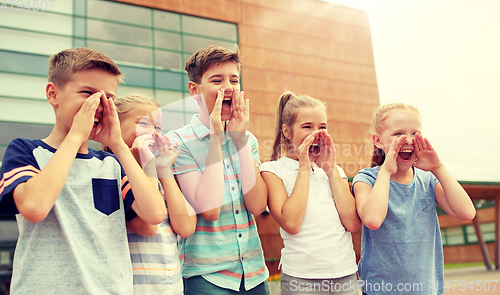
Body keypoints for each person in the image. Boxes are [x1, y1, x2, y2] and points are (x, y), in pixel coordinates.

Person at [0, 48, 167, 294]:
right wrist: (76, 135)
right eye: (88, 93)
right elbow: (34, 208)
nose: (98, 104)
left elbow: (154, 215)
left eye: (107, 98)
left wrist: (119, 145)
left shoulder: (111, 164)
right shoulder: (26, 151)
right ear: (53, 94)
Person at [167, 45, 270, 294]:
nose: (229, 86)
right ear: (194, 90)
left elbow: (257, 206)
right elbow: (209, 209)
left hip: (254, 274)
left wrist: (239, 138)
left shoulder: (247, 140)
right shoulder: (178, 142)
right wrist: (215, 137)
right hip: (207, 278)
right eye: (217, 80)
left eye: (234, 79)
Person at [352, 103, 476, 295]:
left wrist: (438, 167)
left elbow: (467, 212)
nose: (408, 140)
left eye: (414, 133)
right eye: (398, 134)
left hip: (425, 289)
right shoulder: (367, 179)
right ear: (377, 140)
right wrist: (386, 171)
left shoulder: (428, 180)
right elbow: (372, 219)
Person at [260, 91, 360, 295]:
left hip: (345, 275)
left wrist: (331, 169)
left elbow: (352, 223)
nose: (317, 133)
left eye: (322, 127)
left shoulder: (335, 171)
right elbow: (292, 223)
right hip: (301, 280)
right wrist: (304, 166)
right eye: (307, 126)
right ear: (287, 132)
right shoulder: (273, 170)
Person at [105, 94, 197, 294]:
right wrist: (147, 165)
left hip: (171, 288)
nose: (153, 133)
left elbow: (186, 227)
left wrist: (163, 170)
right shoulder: (111, 172)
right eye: (144, 123)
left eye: (158, 127)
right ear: (115, 126)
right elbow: (147, 226)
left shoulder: (158, 177)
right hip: (137, 288)